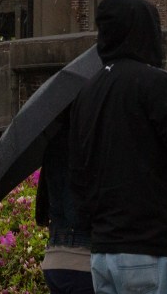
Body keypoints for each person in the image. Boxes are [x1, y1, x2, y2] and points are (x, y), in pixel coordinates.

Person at [69, 0, 167, 294]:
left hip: (103, 251)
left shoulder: (87, 92)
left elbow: (79, 173)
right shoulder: (155, 82)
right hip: (153, 248)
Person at [36, 121, 93, 294]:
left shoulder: (53, 145)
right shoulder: (86, 142)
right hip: (82, 260)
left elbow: (43, 208)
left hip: (54, 258)